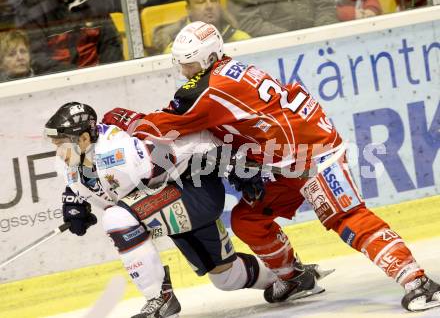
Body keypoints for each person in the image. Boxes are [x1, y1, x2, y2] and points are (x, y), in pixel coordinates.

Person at [102, 21, 440, 311]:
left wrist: (124, 118)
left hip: (314, 155)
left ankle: (417, 280)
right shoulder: (230, 74)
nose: (183, 71)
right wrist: (244, 163)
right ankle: (295, 277)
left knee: (346, 217)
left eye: (188, 63)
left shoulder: (210, 87)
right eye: (181, 64)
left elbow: (163, 127)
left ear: (206, 58)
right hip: (285, 163)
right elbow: (241, 126)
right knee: (247, 220)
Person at [44, 102, 330, 318]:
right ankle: (293, 277)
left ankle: (160, 297)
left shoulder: (121, 151)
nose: (57, 149)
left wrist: (233, 164)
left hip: (195, 194)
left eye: (60, 143)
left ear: (83, 139)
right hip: (164, 198)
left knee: (117, 218)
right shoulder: (73, 159)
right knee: (226, 278)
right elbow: (88, 185)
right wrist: (73, 202)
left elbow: (185, 145)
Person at [15, 0, 122, 74]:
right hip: (57, 84)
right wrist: (76, 76)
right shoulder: (31, 9)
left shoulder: (92, 0)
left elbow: (110, 42)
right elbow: (36, 58)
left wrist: (108, 72)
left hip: (99, 78)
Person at [153, 0, 250, 54]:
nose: (209, 6)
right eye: (201, 2)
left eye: (213, 0)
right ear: (188, 9)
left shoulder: (240, 38)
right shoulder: (175, 45)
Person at [226, 0, 339, 37]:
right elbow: (248, 21)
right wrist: (289, 39)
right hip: (272, 49)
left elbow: (326, 5)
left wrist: (322, 33)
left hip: (319, 41)